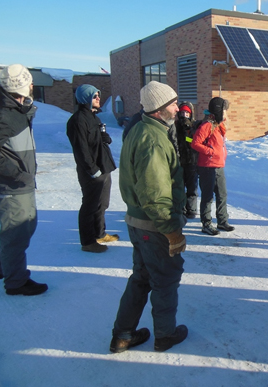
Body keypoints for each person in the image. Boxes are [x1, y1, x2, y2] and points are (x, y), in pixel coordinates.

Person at [110, 81, 188, 353]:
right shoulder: (153, 139)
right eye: (173, 104)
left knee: (141, 277)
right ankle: (165, 335)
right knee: (164, 280)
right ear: (158, 109)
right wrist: (172, 231)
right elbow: (155, 195)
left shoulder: (142, 129)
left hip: (138, 222)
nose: (178, 108)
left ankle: (122, 335)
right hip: (153, 226)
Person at [0, 64, 48, 296]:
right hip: (13, 185)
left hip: (21, 183)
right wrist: (18, 174)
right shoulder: (4, 114)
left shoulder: (14, 110)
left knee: (24, 229)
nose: (32, 85)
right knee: (16, 234)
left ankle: (5, 267)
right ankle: (16, 281)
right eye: (29, 82)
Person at [66, 84, 118, 253]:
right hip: (92, 172)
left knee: (102, 204)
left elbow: (99, 140)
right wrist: (93, 170)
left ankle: (100, 233)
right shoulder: (77, 120)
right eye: (94, 96)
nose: (98, 99)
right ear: (85, 98)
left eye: (98, 96)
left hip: (104, 167)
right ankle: (88, 242)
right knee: (90, 205)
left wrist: (105, 136)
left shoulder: (94, 117)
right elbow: (81, 150)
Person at [191, 97, 234, 236]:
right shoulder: (207, 125)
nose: (226, 113)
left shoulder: (219, 126)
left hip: (219, 166)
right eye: (224, 110)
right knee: (208, 196)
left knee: (222, 195)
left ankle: (222, 221)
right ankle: (206, 224)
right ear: (218, 111)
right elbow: (195, 143)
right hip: (207, 167)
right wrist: (210, 152)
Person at [175, 101, 199, 219]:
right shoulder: (174, 126)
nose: (184, 115)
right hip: (179, 162)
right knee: (179, 186)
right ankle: (181, 209)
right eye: (182, 112)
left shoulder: (194, 126)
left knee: (192, 187)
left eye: (187, 113)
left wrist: (188, 134)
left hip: (192, 161)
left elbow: (194, 143)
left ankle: (192, 209)